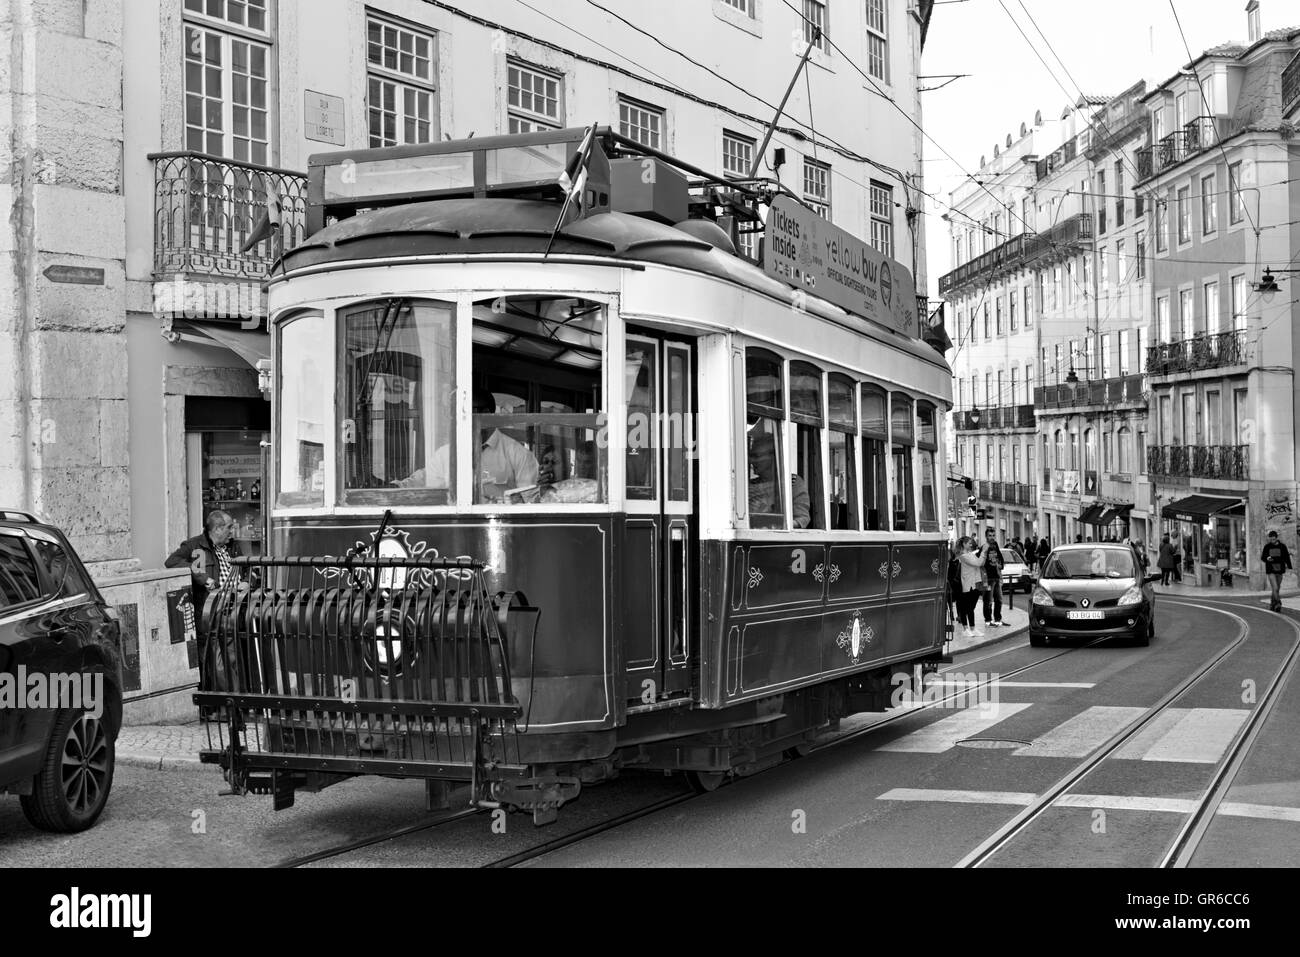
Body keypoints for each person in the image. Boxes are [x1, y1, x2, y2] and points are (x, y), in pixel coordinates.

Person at [394, 389, 540, 501]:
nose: (462, 420)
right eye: (459, 414)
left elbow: (530, 500)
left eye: (467, 413)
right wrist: (396, 487)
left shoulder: (518, 454)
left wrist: (499, 501)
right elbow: (425, 481)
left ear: (486, 414)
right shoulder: (445, 454)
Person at [164, 509, 242, 621]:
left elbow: (248, 569)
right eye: (229, 527)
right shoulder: (194, 545)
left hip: (237, 610)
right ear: (217, 529)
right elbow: (171, 562)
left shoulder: (233, 547)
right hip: (211, 612)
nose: (232, 532)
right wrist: (203, 577)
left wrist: (246, 582)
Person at [955, 536, 986, 638]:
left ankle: (973, 628)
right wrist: (983, 552)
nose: (971, 545)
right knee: (965, 607)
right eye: (969, 543)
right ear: (964, 544)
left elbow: (981, 563)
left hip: (975, 583)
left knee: (971, 608)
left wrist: (982, 555)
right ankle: (965, 629)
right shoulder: (963, 556)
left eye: (971, 543)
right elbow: (978, 562)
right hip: (967, 585)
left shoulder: (970, 554)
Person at [1261, 530, 1292, 612]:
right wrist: (1267, 558)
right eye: (1270, 539)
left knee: (1277, 589)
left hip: (1280, 569)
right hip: (1271, 569)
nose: (1272, 541)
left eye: (1273, 539)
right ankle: (1278, 603)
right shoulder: (1267, 547)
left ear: (1276, 538)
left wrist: (1289, 567)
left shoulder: (1282, 546)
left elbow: (1286, 557)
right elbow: (1263, 557)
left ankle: (1272, 603)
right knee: (1275, 587)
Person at [981, 527, 1006, 627]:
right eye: (990, 536)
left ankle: (998, 619)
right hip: (988, 579)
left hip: (997, 577)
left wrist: (1001, 565)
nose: (992, 538)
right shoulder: (984, 547)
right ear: (986, 537)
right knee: (988, 600)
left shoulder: (995, 545)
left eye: (993, 535)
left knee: (999, 599)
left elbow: (1001, 558)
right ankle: (988, 620)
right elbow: (979, 562)